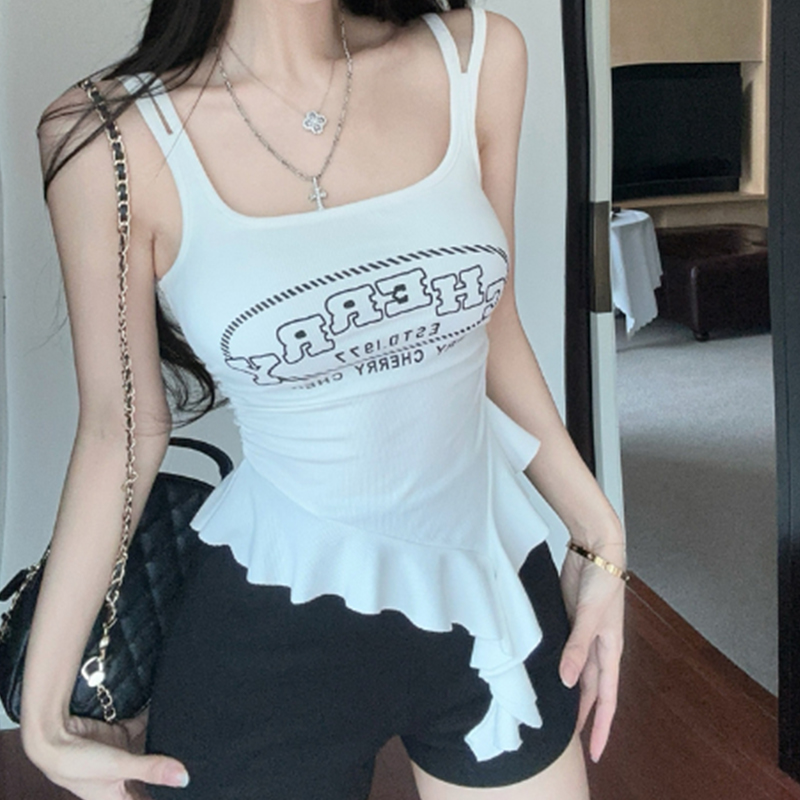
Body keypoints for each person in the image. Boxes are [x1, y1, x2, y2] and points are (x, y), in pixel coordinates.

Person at [18, 1, 626, 798]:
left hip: (490, 596)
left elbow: (492, 329)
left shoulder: (478, 58)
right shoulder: (107, 138)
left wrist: (599, 531)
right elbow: (119, 433)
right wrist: (42, 716)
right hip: (273, 630)